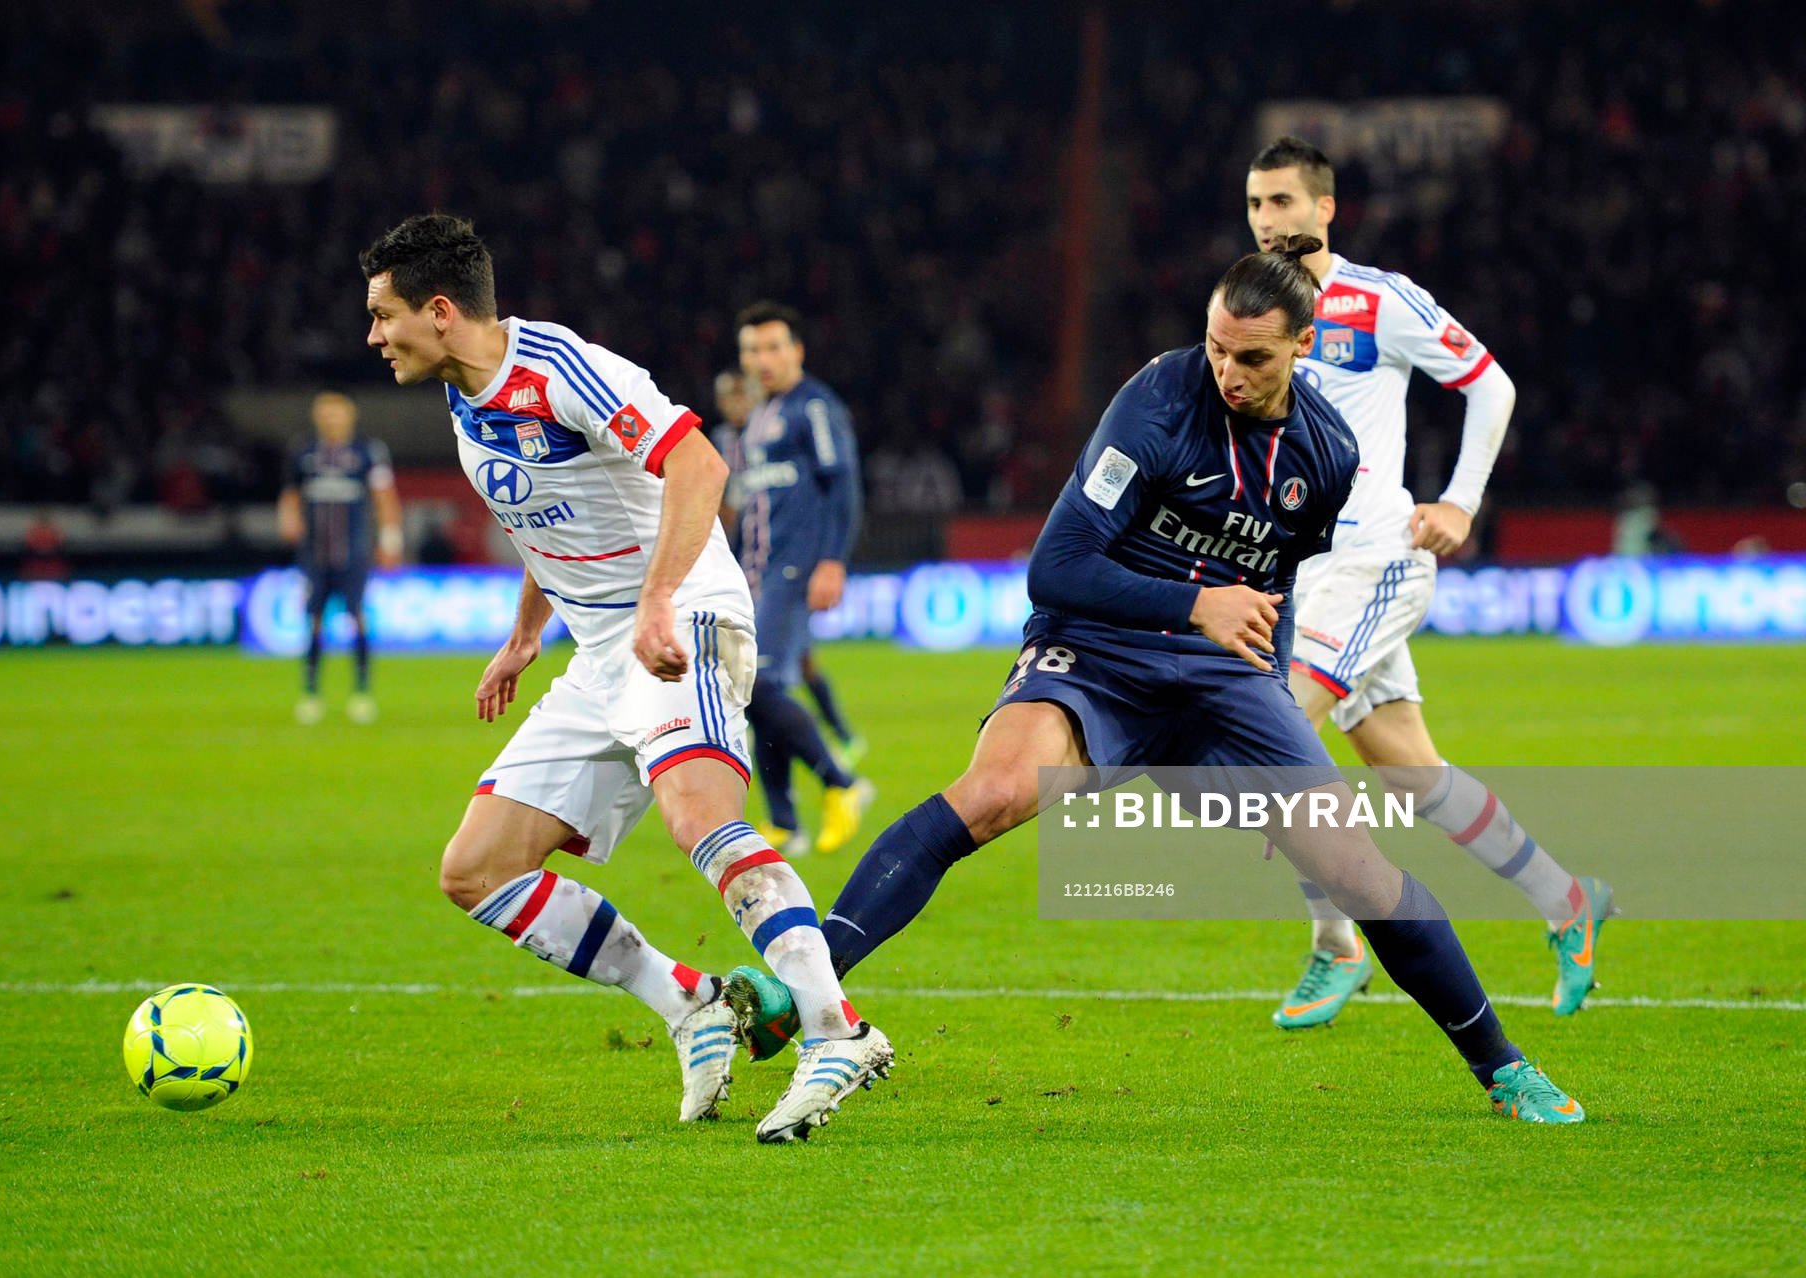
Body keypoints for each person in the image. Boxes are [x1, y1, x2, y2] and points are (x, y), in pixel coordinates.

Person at [727, 239, 1586, 1123]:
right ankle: (807, 985)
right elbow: (1055, 567)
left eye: (1253, 357)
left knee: (1357, 867)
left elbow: (1273, 594)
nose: (1229, 373)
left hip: (1224, 679)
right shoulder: (1156, 399)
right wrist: (1195, 603)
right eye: (1217, 347)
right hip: (1097, 647)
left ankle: (1503, 1067)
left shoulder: (1327, 455)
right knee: (989, 794)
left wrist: (1277, 736)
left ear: (1302, 342)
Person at [358, 213, 890, 1142]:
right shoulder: (465, 394)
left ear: (439, 312)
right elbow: (543, 518)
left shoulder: (565, 370)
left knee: (699, 817)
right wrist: (525, 636)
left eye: (382, 315)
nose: (372, 336)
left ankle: (835, 1032)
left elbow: (699, 463)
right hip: (598, 650)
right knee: (477, 870)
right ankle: (691, 1004)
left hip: (681, 617)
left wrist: (655, 602)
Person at [1243, 137, 1614, 1025]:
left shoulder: (1379, 300)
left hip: (1376, 558)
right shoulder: (1252, 313)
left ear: (1325, 209)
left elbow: (1492, 385)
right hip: (1299, 575)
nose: (1267, 220)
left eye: (1283, 203)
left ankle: (1337, 943)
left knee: (1272, 735)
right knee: (1414, 775)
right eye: (1256, 204)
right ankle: (1567, 900)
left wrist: (1460, 501)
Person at [731, 302, 873, 855]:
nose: (761, 359)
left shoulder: (813, 407)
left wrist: (832, 560)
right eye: (751, 350)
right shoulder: (762, 415)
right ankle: (786, 823)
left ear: (796, 351)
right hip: (759, 574)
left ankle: (843, 783)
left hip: (796, 569)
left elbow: (843, 485)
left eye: (772, 347)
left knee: (756, 684)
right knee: (761, 692)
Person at [278, 391, 404, 724]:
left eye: (337, 414)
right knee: (314, 621)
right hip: (314, 552)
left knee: (357, 617)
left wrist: (390, 540)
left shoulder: (367, 451)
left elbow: (383, 496)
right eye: (326, 414)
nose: (332, 420)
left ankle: (361, 693)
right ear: (317, 418)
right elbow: (291, 493)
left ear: (350, 417)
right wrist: (288, 517)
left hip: (354, 551)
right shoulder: (303, 451)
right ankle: (311, 694)